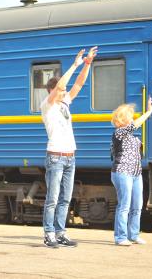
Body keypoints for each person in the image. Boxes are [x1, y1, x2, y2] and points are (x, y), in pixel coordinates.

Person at [41, 46, 98, 248]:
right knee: (53, 198)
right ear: (52, 90)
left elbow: (80, 84)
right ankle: (49, 234)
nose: (65, 92)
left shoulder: (64, 102)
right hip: (55, 156)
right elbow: (62, 85)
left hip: (69, 157)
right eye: (61, 90)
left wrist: (87, 64)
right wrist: (75, 64)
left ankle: (61, 233)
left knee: (65, 199)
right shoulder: (47, 105)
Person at [110, 97, 152, 246]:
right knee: (124, 205)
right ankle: (120, 237)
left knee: (137, 205)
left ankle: (134, 235)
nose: (131, 119)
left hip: (136, 174)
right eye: (128, 117)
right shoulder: (118, 133)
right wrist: (148, 112)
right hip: (122, 172)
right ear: (121, 119)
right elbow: (134, 126)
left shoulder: (131, 136)